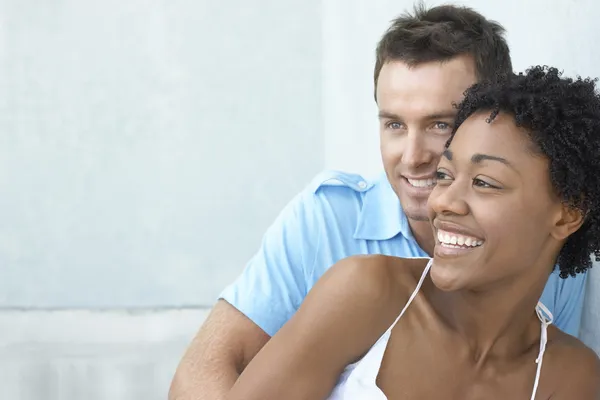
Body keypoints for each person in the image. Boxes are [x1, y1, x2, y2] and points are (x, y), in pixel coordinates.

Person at [169, 5, 588, 399]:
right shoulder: (331, 226)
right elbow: (205, 369)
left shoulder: (558, 277)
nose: (411, 155)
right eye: (393, 124)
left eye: (440, 123)